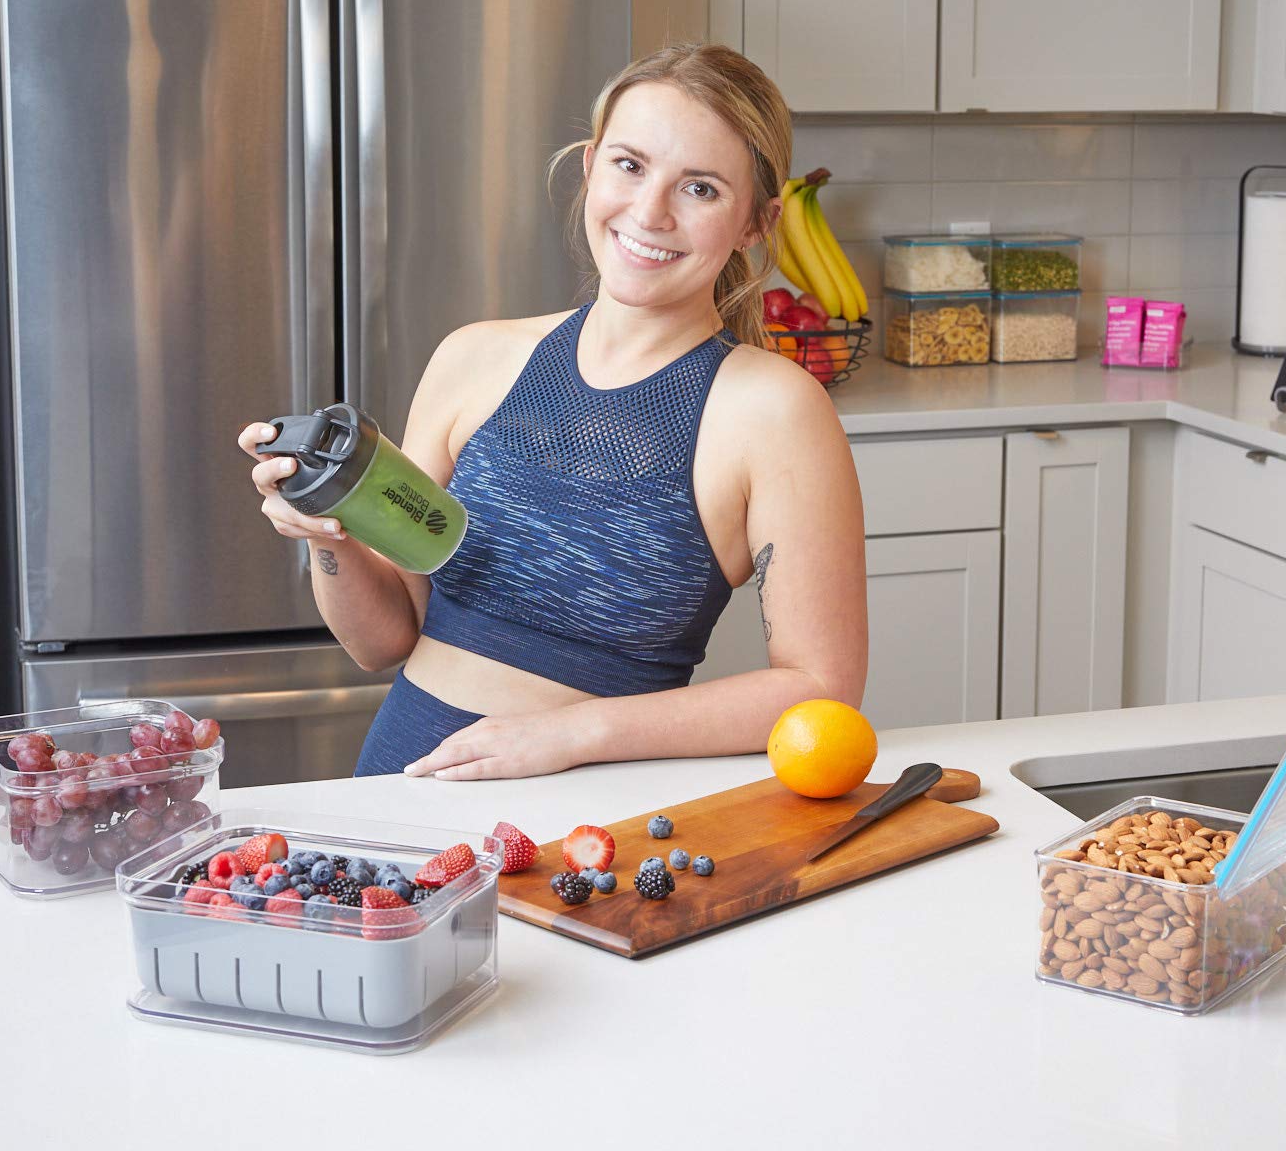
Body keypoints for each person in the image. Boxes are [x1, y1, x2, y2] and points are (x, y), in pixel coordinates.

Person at [237, 43, 868, 780]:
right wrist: (329, 534)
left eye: (700, 189)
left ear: (757, 223)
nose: (650, 211)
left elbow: (822, 688)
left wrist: (573, 733)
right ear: (591, 164)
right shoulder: (472, 360)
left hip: (584, 828)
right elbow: (385, 640)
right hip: (397, 791)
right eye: (630, 166)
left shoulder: (773, 411)